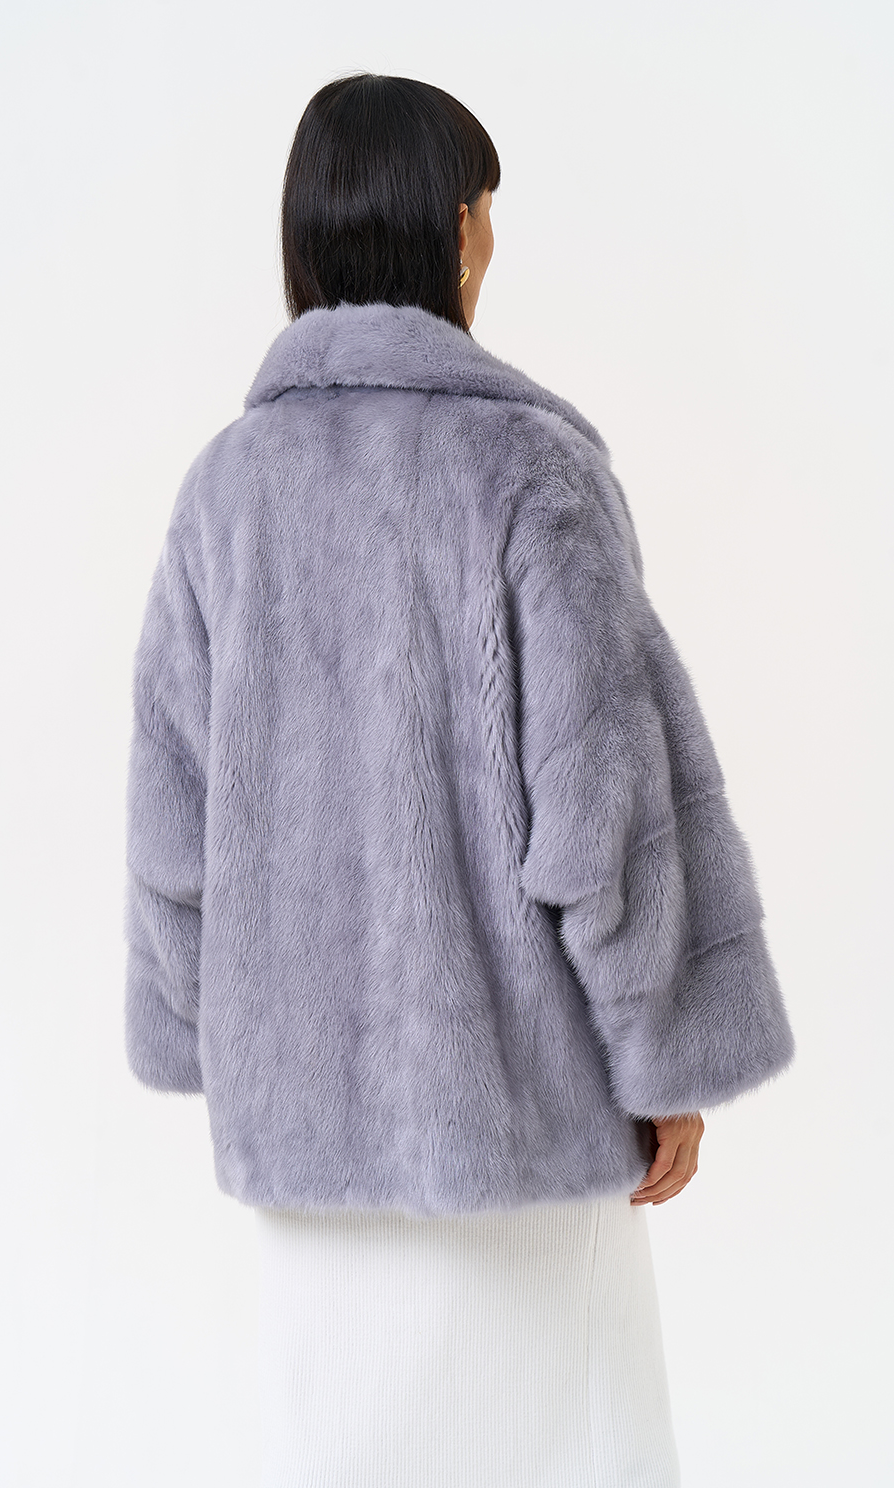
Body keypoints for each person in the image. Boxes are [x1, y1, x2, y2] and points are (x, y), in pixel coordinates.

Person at [123, 71, 796, 1488]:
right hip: (528, 1144)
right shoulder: (526, 473)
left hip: (308, 1167)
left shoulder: (223, 493)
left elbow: (174, 830)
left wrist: (209, 1035)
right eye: (489, 208)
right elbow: (598, 814)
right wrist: (663, 1058)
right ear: (460, 227)